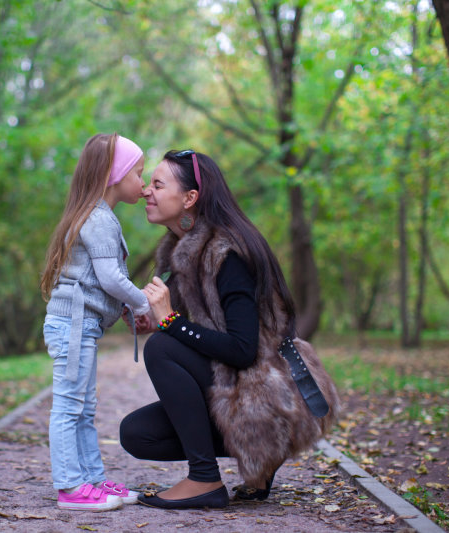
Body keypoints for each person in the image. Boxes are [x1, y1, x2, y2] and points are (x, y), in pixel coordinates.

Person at [119, 149, 340, 509]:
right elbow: (197, 331)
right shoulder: (180, 251)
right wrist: (156, 320)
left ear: (190, 198)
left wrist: (171, 323)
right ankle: (260, 459)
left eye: (158, 184)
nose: (146, 191)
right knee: (137, 434)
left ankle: (204, 479)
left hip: (267, 397)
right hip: (234, 384)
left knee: (161, 348)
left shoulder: (227, 253)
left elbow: (242, 349)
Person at [40, 133, 151, 511]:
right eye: (139, 172)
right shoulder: (99, 219)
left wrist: (121, 309)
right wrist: (143, 304)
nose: (144, 182)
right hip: (72, 325)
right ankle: (71, 488)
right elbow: (111, 280)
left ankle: (92, 480)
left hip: (80, 325)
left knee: (83, 408)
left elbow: (99, 281)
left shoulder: (99, 216)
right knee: (70, 406)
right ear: (115, 175)